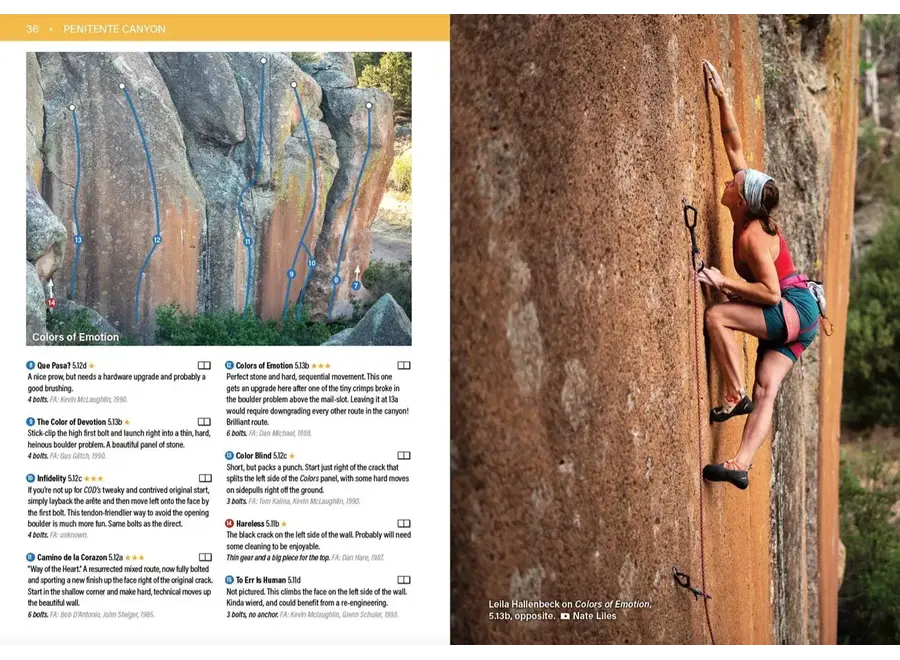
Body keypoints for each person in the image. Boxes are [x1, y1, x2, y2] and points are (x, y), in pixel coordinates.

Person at [696, 60, 820, 490]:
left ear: (744, 202)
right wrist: (724, 97)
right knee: (768, 389)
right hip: (803, 323)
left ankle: (734, 395)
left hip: (790, 305)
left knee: (717, 318)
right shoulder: (750, 205)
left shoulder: (751, 236)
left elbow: (768, 294)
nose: (731, 181)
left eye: (736, 183)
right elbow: (734, 146)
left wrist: (723, 282)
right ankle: (739, 465)